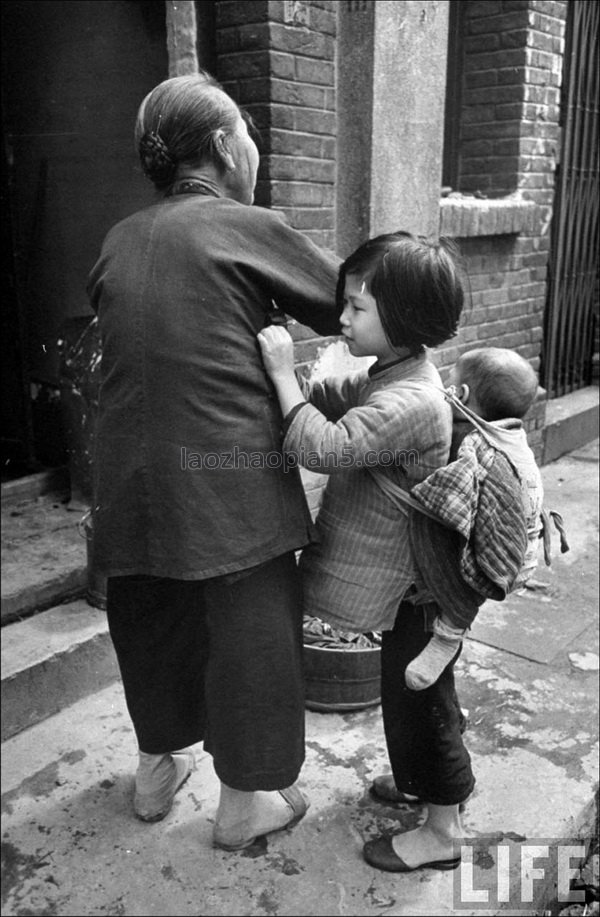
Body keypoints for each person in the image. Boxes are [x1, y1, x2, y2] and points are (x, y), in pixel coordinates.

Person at [87, 71, 342, 850]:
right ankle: (244, 804)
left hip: (127, 475)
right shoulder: (244, 225)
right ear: (228, 147)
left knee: (150, 610)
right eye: (251, 134)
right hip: (224, 473)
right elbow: (347, 299)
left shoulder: (118, 238)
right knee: (252, 625)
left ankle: (156, 769)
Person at [258, 230, 471, 873]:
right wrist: (304, 389)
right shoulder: (396, 373)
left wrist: (277, 373)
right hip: (411, 584)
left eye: (356, 307)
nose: (342, 318)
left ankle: (444, 828)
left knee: (425, 697)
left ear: (401, 319)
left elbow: (327, 447)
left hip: (422, 586)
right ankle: (417, 785)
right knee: (403, 689)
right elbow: (343, 408)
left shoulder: (413, 398)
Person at [403, 346, 544, 692]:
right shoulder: (513, 437)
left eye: (448, 383)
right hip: (525, 552)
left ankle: (448, 633)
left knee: (438, 538)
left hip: (498, 561)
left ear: (461, 395)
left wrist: (420, 494)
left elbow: (453, 492)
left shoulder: (473, 442)